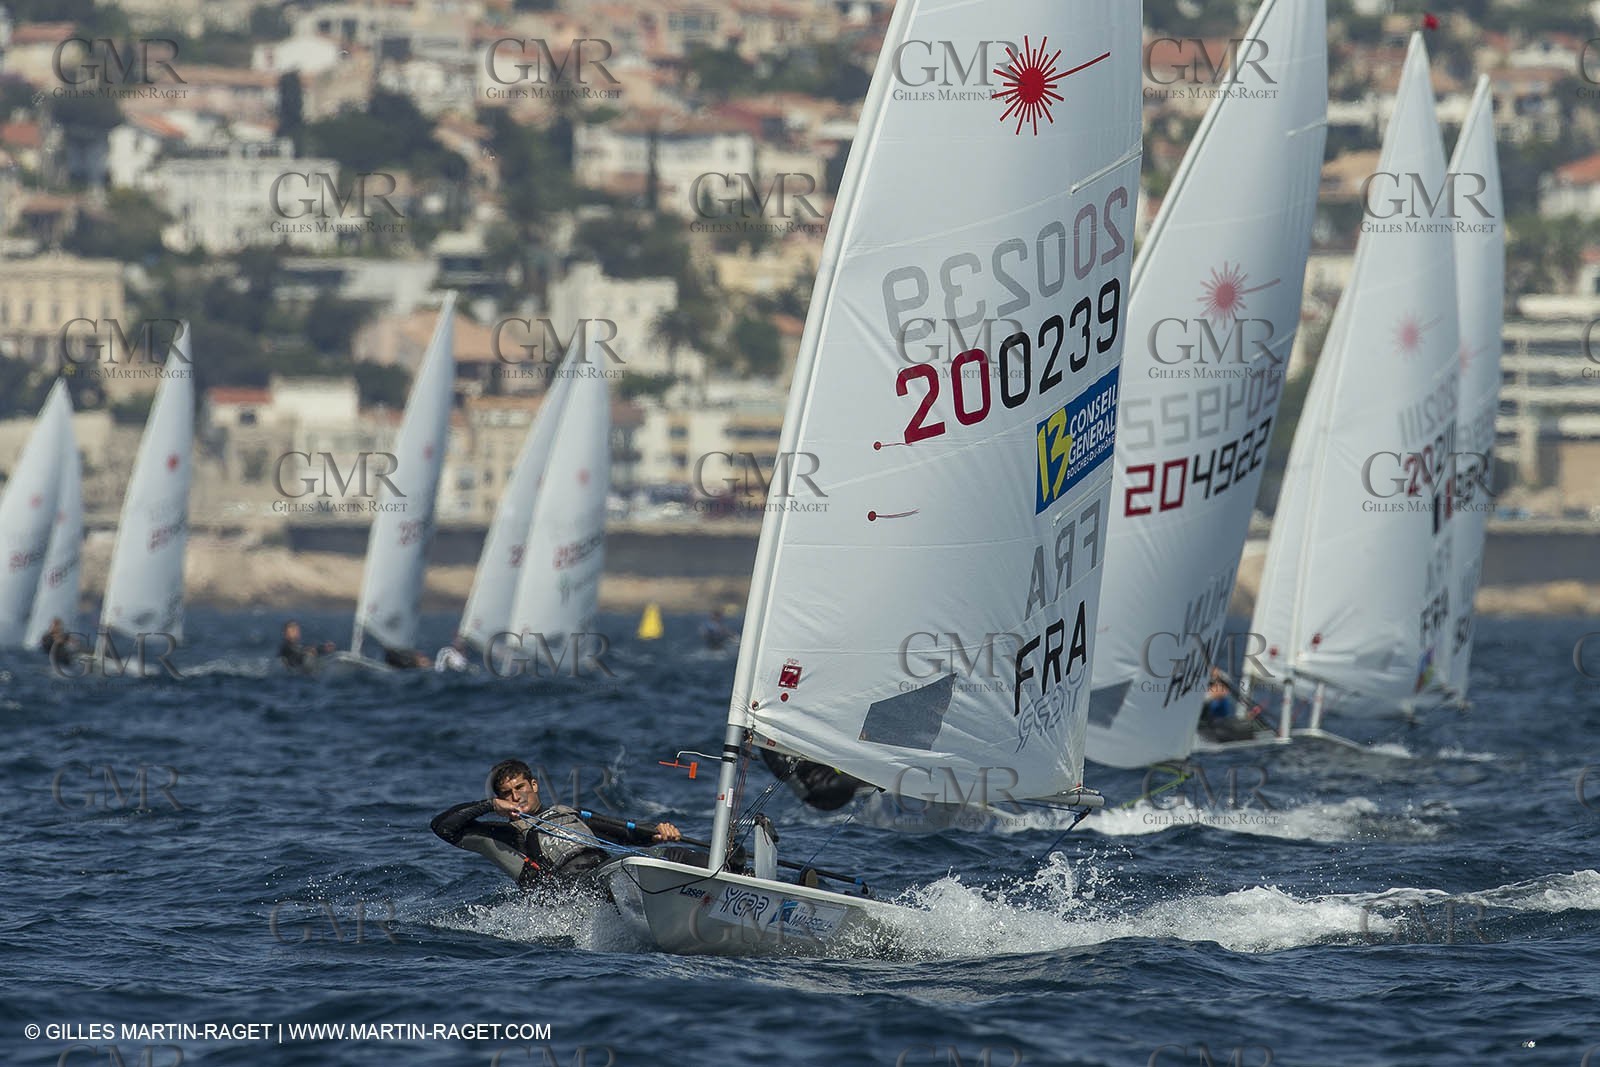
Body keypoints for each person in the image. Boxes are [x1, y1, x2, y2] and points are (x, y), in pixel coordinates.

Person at [431, 759, 682, 891]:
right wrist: (489, 806)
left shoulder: (568, 813)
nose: (516, 797)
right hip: (570, 892)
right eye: (506, 794)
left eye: (520, 787)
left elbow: (626, 831)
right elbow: (442, 826)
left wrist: (658, 833)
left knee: (670, 854)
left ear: (534, 786)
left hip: (607, 874)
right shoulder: (507, 835)